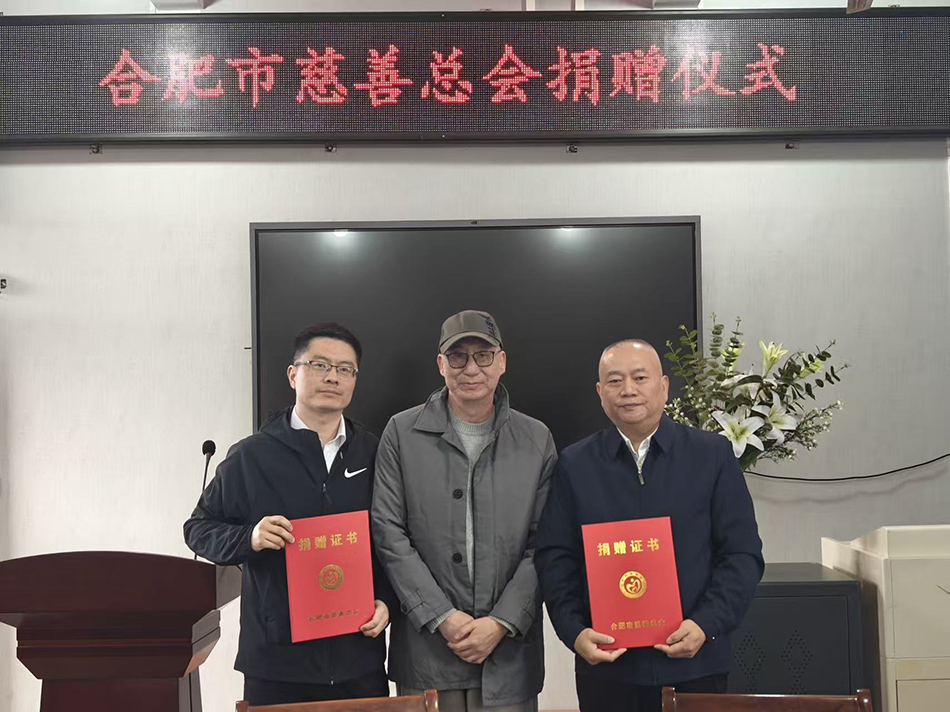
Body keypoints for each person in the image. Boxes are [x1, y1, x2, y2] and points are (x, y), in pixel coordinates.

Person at [535, 339, 764, 712]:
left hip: (697, 664)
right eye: (615, 381)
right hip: (608, 670)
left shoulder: (711, 455)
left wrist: (706, 624)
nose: (628, 390)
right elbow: (554, 558)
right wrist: (574, 631)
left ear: (664, 386)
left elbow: (742, 554)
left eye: (640, 377)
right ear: (600, 393)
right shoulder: (575, 465)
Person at [184, 323, 395, 706]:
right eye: (320, 365)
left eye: (345, 369)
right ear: (293, 374)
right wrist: (250, 537)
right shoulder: (251, 456)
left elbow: (392, 539)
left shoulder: (375, 452)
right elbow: (198, 529)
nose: (332, 376)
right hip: (276, 664)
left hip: (358, 661)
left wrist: (385, 602)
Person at [372, 310, 557, 712]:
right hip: (427, 652)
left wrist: (501, 622)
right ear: (441, 364)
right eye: (458, 356)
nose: (471, 368)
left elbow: (546, 541)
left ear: (502, 361)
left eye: (483, 355)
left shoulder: (536, 439)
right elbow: (388, 532)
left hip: (509, 655)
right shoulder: (401, 433)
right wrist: (441, 616)